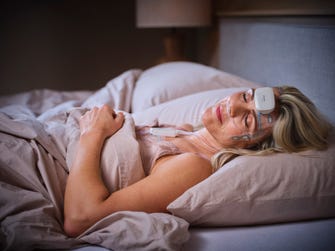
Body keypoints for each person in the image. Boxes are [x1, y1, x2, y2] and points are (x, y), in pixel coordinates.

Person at [64, 86, 332, 237]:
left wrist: (93, 134)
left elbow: (81, 219)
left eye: (248, 119)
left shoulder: (193, 166)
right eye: (247, 96)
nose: (233, 107)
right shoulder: (182, 131)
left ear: (254, 146)